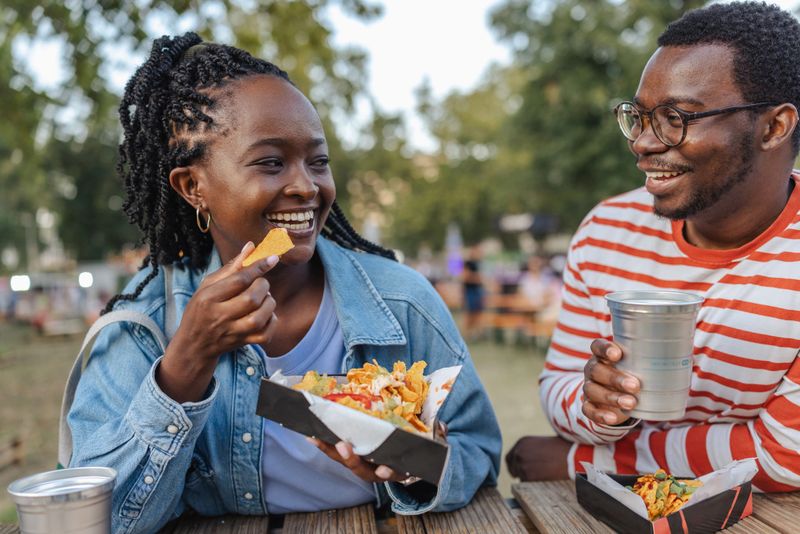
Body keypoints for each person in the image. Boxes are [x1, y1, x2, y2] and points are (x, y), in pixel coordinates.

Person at [67, 33, 501, 533]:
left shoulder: (402, 301)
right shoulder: (144, 323)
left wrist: (420, 467)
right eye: (271, 162)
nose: (306, 186)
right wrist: (185, 365)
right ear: (193, 187)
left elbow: (480, 454)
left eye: (317, 160)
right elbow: (98, 518)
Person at [506, 1, 800, 493]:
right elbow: (558, 383)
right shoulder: (607, 230)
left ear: (774, 127)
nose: (642, 143)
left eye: (675, 117)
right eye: (639, 117)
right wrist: (597, 408)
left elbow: (785, 454)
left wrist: (585, 460)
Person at [461, 244, 485, 340]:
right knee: (470, 314)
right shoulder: (468, 263)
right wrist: (478, 278)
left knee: (478, 313)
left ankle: (476, 334)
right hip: (470, 291)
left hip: (477, 290)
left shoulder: (478, 264)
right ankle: (467, 334)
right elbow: (465, 277)